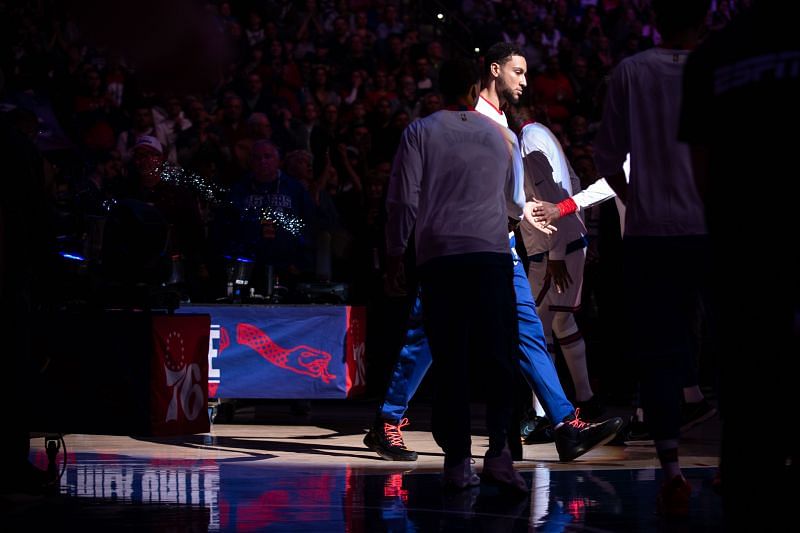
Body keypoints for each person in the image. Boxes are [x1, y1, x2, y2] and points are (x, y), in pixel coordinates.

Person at [366, 43, 622, 466]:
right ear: (486, 75)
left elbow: (513, 202)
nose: (524, 81)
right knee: (428, 335)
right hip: (453, 244)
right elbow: (509, 202)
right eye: (517, 72)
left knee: (526, 331)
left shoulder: (500, 126)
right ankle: (392, 419)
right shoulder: (479, 128)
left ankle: (562, 423)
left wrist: (529, 229)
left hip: (494, 247)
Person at [589, 0, 712, 518]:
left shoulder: (631, 71)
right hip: (710, 231)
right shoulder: (718, 64)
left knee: (658, 356)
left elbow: (604, 159)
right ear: (704, 19)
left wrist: (634, 198)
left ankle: (671, 474)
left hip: (651, 234)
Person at [679, 2, 798, 529]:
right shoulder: (709, 56)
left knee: (750, 400)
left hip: (742, 249)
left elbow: (701, 166)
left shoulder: (712, 56)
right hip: (754, 248)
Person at [384, 57, 526, 492]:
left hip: (440, 259)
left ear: (439, 91)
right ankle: (500, 454)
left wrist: (393, 254)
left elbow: (403, 202)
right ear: (476, 87)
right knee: (500, 359)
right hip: (490, 256)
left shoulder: (420, 132)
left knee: (450, 363)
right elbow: (516, 205)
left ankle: (457, 463)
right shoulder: (500, 134)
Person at [513, 103, 603, 439]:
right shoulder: (545, 135)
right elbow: (569, 184)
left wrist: (554, 252)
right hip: (568, 243)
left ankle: (543, 416)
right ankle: (586, 398)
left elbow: (550, 195)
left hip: (553, 249)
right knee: (562, 321)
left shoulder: (528, 140)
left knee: (536, 328)